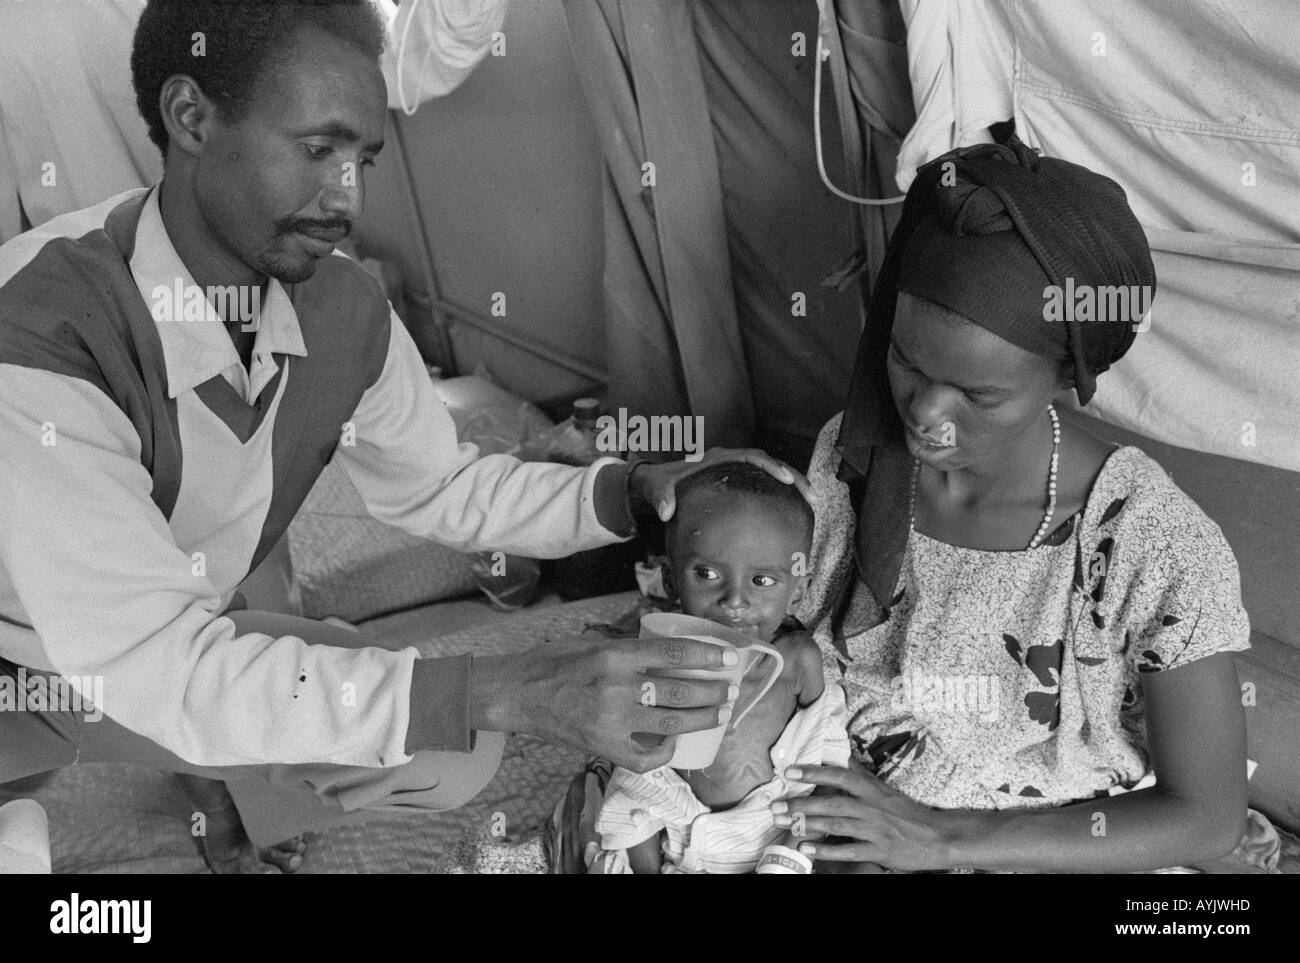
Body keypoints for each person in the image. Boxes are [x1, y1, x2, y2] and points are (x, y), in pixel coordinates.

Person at [0, 0, 808, 872]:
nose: (347, 198)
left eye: (364, 158)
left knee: (447, 751)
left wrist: (634, 488)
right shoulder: (43, 332)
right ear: (191, 116)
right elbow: (159, 665)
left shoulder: (344, 308)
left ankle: (204, 805)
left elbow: (440, 487)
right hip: (25, 660)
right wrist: (507, 684)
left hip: (140, 650)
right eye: (318, 150)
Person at [768, 137, 1262, 873]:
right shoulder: (858, 451)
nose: (926, 414)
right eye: (906, 359)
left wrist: (935, 836)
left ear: (1067, 373)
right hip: (847, 817)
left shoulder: (1147, 541)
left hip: (1044, 851)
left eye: (979, 394)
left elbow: (1206, 814)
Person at [591, 462, 848, 873]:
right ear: (671, 581)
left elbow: (825, 763)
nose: (734, 601)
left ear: (798, 591)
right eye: (707, 574)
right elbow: (636, 787)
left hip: (774, 843)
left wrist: (784, 859)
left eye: (762, 581)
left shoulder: (798, 660)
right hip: (678, 847)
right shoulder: (657, 660)